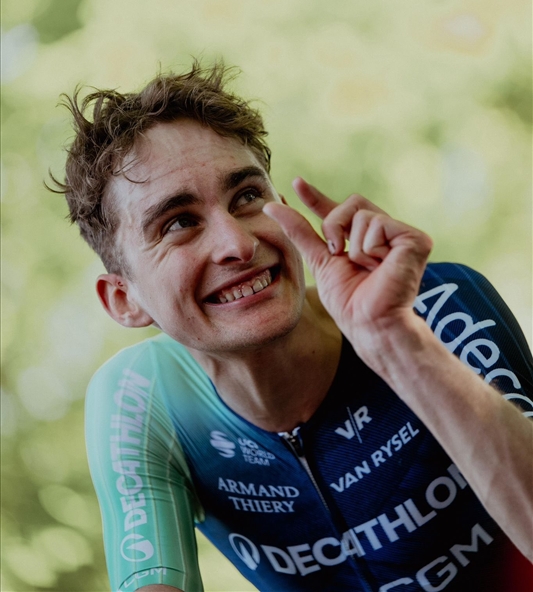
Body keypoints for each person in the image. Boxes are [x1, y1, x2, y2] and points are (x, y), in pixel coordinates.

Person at [54, 62, 533, 592]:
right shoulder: (145, 400)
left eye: (246, 196)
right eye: (180, 223)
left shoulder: (434, 304)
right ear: (124, 299)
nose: (238, 244)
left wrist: (400, 345)